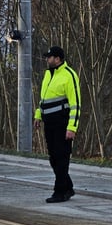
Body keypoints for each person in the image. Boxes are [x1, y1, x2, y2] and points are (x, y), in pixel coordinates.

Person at [34, 46, 81, 203]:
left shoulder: (69, 75)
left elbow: (76, 104)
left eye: (50, 57)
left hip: (63, 124)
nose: (47, 59)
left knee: (61, 158)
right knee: (53, 158)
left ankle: (60, 191)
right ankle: (67, 186)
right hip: (49, 123)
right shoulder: (48, 75)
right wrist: (38, 115)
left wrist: (72, 127)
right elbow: (43, 99)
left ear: (58, 59)